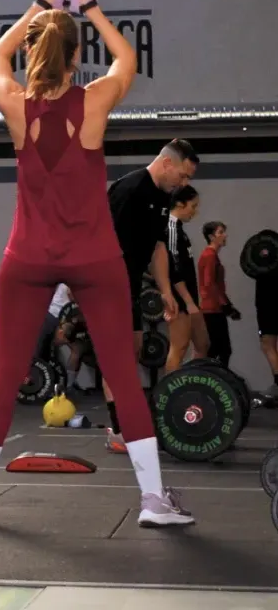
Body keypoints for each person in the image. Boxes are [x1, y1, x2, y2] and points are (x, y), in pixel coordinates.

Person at [0, 0, 193, 527]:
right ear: (79, 56)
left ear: (35, 49)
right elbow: (126, 59)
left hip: (28, 258)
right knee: (123, 374)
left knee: (7, 371)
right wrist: (90, 6)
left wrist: (40, 4)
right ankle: (153, 501)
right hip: (94, 258)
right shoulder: (95, 100)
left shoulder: (14, 104)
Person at [102, 138, 199, 451]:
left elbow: (158, 248)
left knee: (134, 349)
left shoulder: (161, 198)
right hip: (106, 282)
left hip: (129, 282)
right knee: (118, 356)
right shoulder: (128, 190)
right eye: (182, 176)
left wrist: (166, 289)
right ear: (167, 163)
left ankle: (126, 422)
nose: (183, 183)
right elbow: (99, 241)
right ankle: (118, 430)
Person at [165, 186, 209, 371]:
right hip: (179, 300)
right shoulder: (171, 228)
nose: (195, 211)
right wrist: (188, 302)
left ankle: (192, 384)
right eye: (193, 206)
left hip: (190, 298)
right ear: (179, 204)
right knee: (179, 347)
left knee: (203, 344)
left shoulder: (180, 229)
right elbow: (173, 270)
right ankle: (168, 396)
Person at [198, 220, 239, 369]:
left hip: (215, 307)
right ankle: (212, 381)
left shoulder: (211, 255)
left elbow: (215, 286)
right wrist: (226, 305)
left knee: (218, 348)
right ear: (211, 237)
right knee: (221, 349)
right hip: (212, 309)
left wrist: (227, 305)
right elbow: (210, 284)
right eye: (220, 232)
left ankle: (211, 381)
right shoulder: (209, 255)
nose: (224, 235)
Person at [254, 260, 278, 402]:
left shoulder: (263, 267)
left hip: (268, 308)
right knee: (270, 346)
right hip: (269, 306)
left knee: (267, 345)